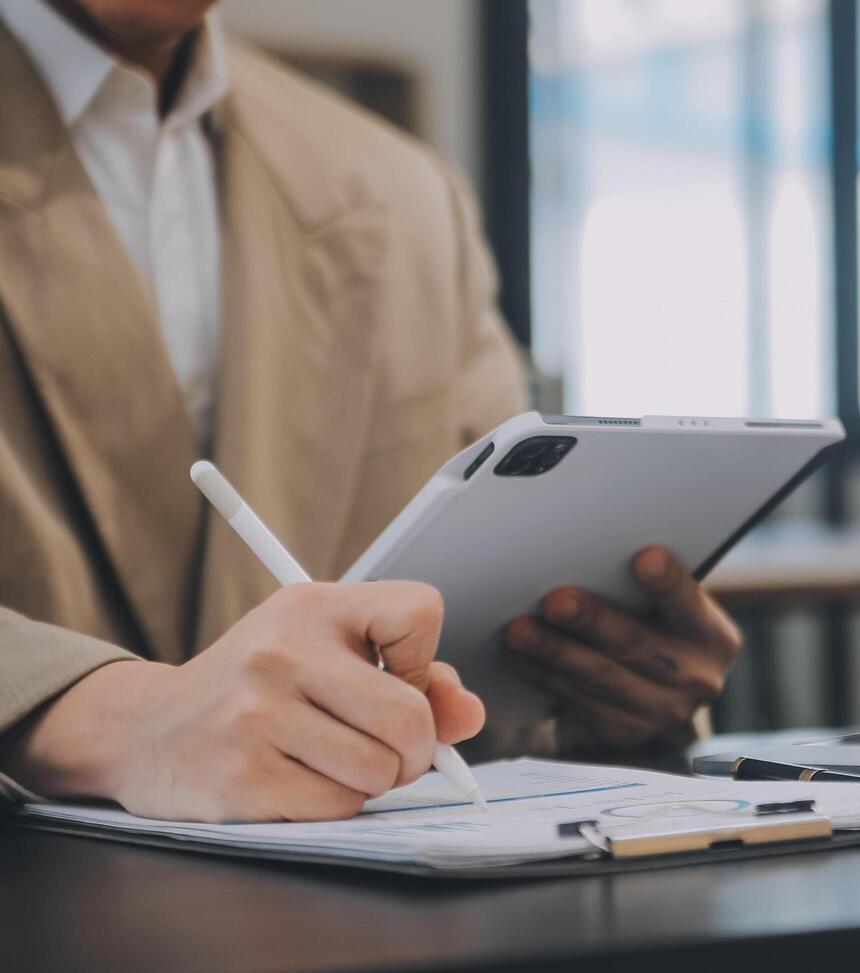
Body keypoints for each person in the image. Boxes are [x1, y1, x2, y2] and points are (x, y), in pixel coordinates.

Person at [0, 0, 743, 822]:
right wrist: (103, 717)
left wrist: (603, 697)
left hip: (396, 916)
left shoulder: (404, 195)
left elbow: (497, 636)